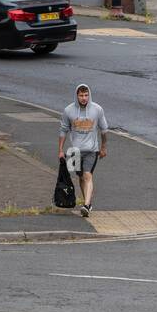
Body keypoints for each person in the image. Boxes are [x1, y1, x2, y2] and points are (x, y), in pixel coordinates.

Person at [58, 83, 108, 218]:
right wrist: (61, 150)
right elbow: (63, 130)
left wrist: (103, 147)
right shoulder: (68, 110)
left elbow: (104, 130)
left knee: (87, 175)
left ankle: (86, 205)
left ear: (89, 95)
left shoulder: (97, 109)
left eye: (86, 95)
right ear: (76, 96)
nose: (84, 98)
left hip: (92, 150)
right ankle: (88, 202)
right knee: (80, 177)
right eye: (81, 95)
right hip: (75, 150)